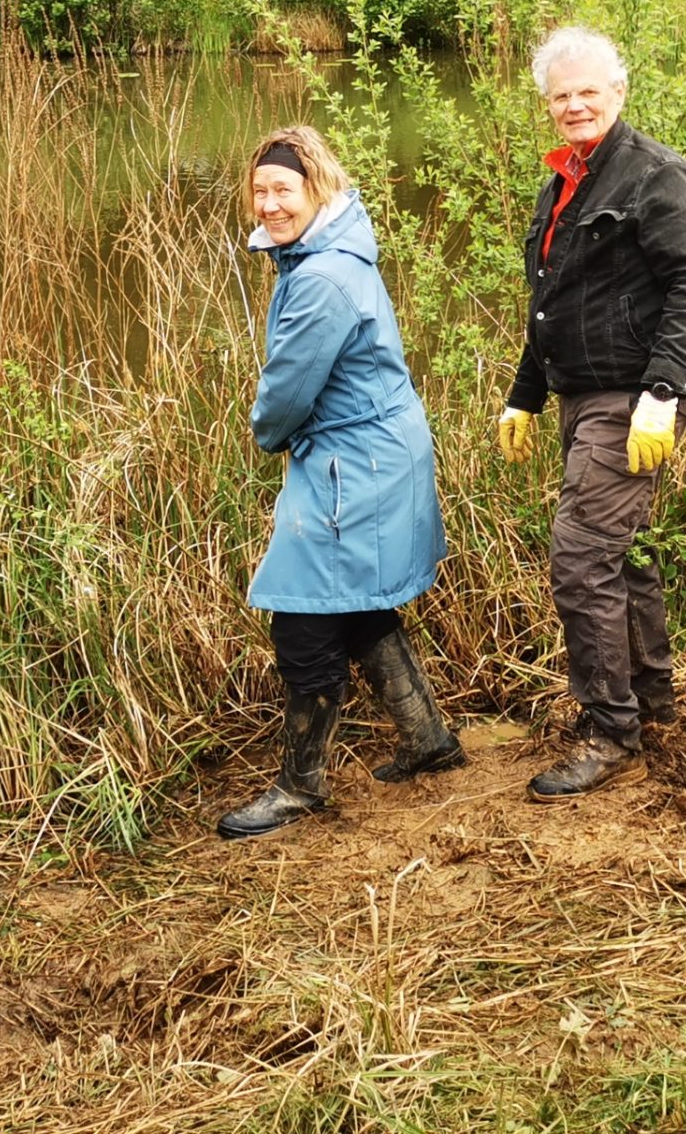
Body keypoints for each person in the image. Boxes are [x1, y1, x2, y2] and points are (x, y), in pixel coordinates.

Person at [218, 126, 463, 840]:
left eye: (282, 190)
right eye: (259, 190)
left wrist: (267, 434)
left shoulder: (322, 276)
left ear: (315, 189)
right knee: (354, 597)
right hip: (370, 452)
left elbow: (287, 393)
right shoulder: (328, 253)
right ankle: (427, 739)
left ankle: (300, 786)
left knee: (301, 615)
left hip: (353, 463)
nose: (268, 203)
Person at [496, 27, 686, 799]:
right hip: (581, 395)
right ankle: (650, 701)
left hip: (631, 399)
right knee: (622, 553)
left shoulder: (654, 176)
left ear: (619, 93)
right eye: (560, 96)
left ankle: (607, 729)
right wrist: (525, 392)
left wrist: (663, 393)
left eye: (588, 91)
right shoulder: (563, 182)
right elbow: (550, 304)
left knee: (581, 558)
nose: (574, 105)